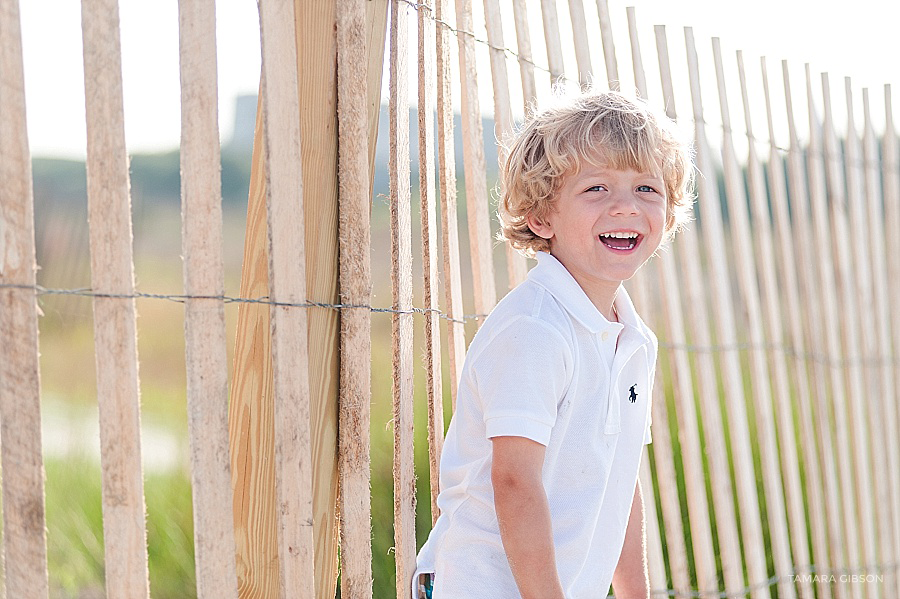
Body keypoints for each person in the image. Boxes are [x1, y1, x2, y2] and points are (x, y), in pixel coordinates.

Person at [412, 89, 694, 599]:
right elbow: (515, 480)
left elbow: (619, 481)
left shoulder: (633, 341)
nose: (626, 206)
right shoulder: (536, 330)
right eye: (597, 189)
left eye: (647, 188)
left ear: (668, 214)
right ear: (541, 217)